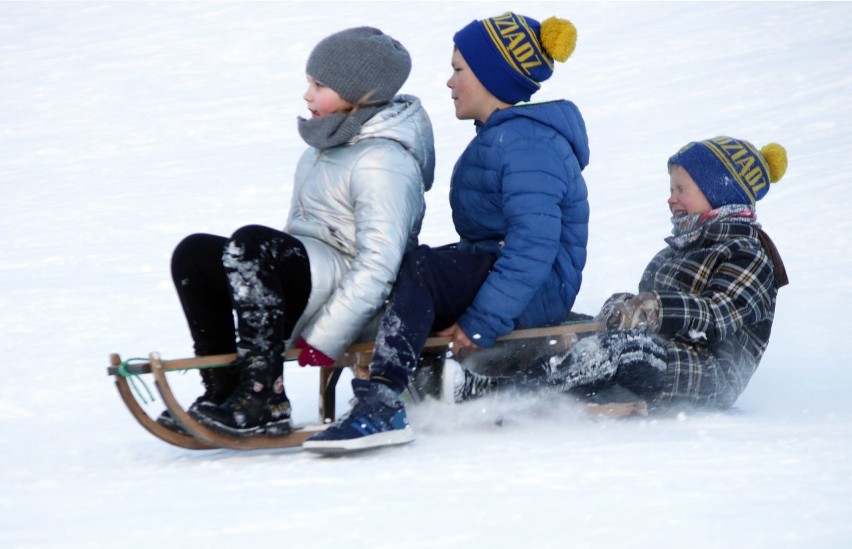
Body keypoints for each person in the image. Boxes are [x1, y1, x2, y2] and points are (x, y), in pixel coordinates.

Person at [304, 11, 590, 453]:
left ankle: (383, 403)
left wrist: (483, 320)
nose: (449, 82)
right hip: (508, 276)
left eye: (459, 69)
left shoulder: (528, 144)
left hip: (535, 288)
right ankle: (413, 395)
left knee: (424, 270)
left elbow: (533, 247)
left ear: (493, 76)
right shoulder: (502, 138)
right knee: (411, 270)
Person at [158, 26, 435, 436]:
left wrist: (324, 338)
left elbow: (381, 265)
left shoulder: (384, 161)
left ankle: (262, 397)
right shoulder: (322, 150)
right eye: (309, 82)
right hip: (314, 276)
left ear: (356, 93)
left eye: (319, 84)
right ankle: (223, 389)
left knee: (253, 242)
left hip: (358, 302)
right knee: (195, 253)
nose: (307, 94)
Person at [467, 135, 789, 412]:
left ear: (719, 192)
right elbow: (643, 308)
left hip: (706, 374)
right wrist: (623, 308)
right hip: (660, 354)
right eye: (671, 188)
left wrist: (653, 310)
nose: (671, 198)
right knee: (564, 325)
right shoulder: (679, 248)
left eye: (681, 189)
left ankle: (510, 397)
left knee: (621, 350)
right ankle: (480, 369)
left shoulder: (749, 254)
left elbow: (719, 313)